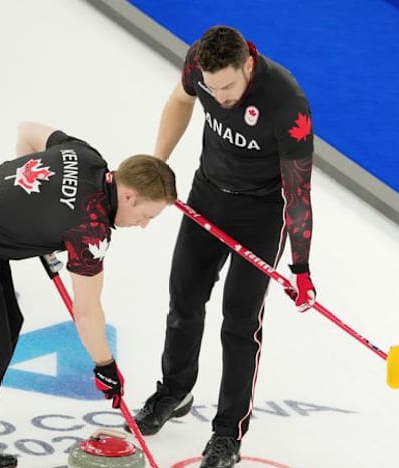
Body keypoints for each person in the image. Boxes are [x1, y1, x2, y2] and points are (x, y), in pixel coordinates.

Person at [0, 121, 177, 468]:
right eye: (146, 215)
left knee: (7, 329)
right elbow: (86, 310)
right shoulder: (90, 229)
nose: (143, 225)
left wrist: (27, 208)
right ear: (129, 196)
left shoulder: (86, 156)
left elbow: (28, 131)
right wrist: (105, 365)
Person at [130, 25, 316, 467]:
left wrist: (301, 267)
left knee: (239, 320)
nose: (221, 97)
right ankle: (175, 392)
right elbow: (180, 100)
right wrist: (159, 162)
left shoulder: (287, 105)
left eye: (229, 86)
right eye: (213, 89)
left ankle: (228, 433)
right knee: (185, 300)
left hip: (260, 213)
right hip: (207, 195)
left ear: (248, 64)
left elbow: (299, 192)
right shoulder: (200, 63)